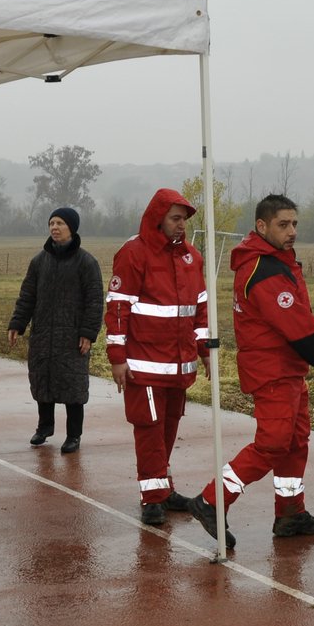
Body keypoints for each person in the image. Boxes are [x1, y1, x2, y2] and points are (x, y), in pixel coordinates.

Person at [186, 194, 314, 549]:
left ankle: (290, 512)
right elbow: (297, 325)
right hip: (272, 372)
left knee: (294, 441)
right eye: (283, 225)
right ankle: (211, 500)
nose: (292, 232)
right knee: (273, 443)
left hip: (288, 371)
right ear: (262, 226)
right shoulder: (264, 270)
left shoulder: (277, 263)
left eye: (295, 224)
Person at [105, 188, 210, 524]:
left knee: (168, 428)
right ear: (158, 218)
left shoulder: (192, 257)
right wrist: (117, 357)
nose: (181, 226)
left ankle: (163, 488)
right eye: (175, 219)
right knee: (149, 429)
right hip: (144, 364)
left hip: (179, 365)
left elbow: (201, 309)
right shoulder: (134, 253)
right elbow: (118, 309)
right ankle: (152, 497)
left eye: (185, 220)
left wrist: (205, 350)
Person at [7, 207, 104, 454]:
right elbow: (27, 296)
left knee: (73, 386)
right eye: (51, 223)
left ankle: (74, 435)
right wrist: (18, 323)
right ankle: (45, 427)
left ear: (71, 228)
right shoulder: (39, 262)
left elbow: (94, 302)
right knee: (43, 381)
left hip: (72, 336)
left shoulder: (87, 262)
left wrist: (88, 333)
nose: (54, 227)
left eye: (60, 223)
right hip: (43, 335)